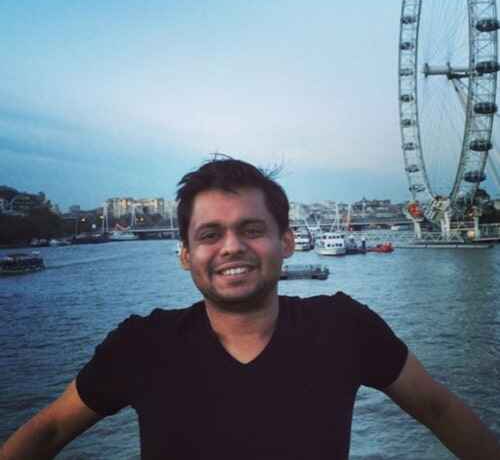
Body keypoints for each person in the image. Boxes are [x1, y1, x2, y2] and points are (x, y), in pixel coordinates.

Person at [1, 157, 499, 460]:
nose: (231, 247)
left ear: (286, 241)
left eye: (252, 230)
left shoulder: (345, 327)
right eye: (210, 235)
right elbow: (47, 432)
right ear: (184, 255)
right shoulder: (143, 344)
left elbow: (437, 408)